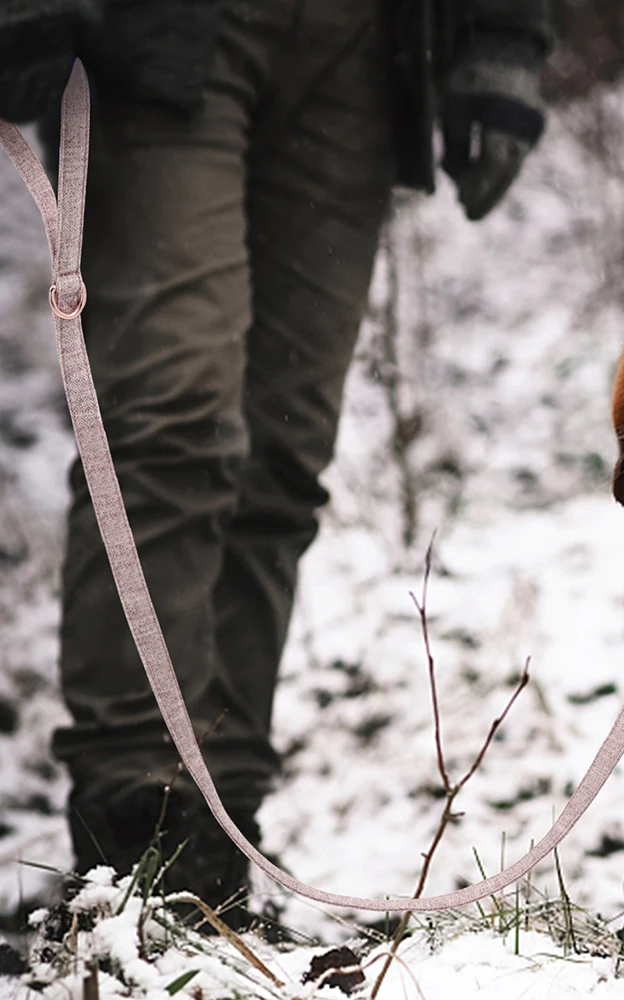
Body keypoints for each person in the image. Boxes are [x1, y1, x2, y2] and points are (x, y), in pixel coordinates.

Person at [1, 0, 551, 913]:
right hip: (167, 37)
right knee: (169, 419)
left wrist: (502, 38)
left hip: (368, 49)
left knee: (284, 451)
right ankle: (136, 814)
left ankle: (220, 816)